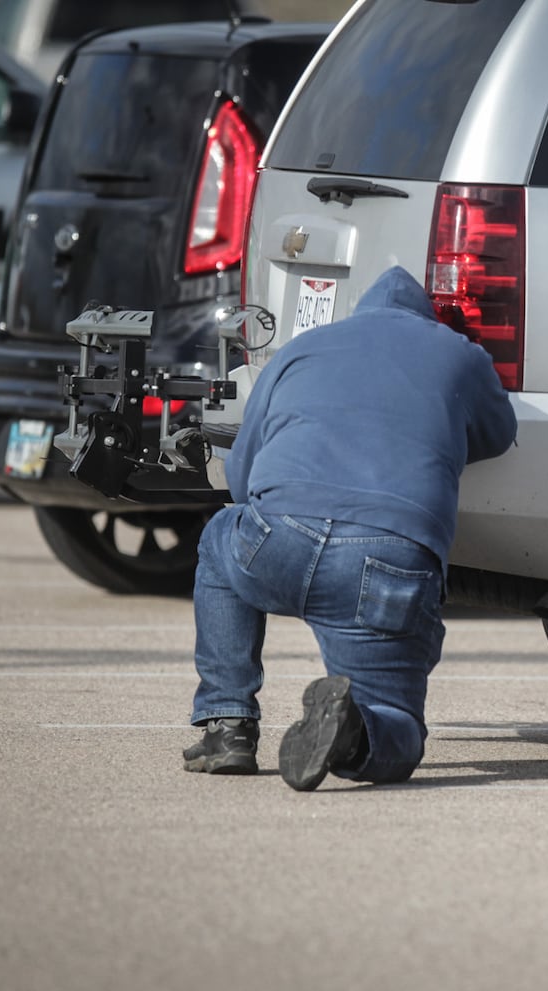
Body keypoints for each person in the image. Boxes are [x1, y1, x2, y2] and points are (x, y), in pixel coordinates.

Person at [181, 265, 518, 791]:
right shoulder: (459, 353)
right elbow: (500, 434)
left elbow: (242, 478)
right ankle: (356, 733)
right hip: (389, 561)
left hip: (280, 536)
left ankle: (228, 727)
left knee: (220, 540)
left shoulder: (302, 348)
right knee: (396, 724)